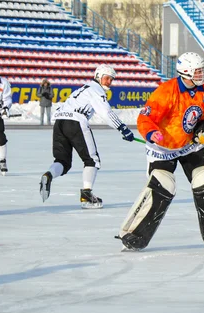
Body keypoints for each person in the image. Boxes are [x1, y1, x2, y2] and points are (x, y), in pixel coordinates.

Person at [115, 52, 204, 252]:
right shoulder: (166, 91)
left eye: (201, 70)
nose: (201, 74)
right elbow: (145, 118)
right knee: (162, 185)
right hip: (163, 149)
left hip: (190, 146)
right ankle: (134, 234)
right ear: (185, 72)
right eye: (197, 71)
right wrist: (152, 133)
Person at [39, 64, 135, 209]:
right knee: (92, 160)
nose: (109, 82)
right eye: (106, 78)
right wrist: (122, 128)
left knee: (63, 161)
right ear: (98, 77)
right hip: (76, 122)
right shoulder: (96, 90)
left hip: (59, 122)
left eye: (111, 79)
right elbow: (106, 112)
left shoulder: (83, 88)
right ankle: (86, 195)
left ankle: (49, 175)